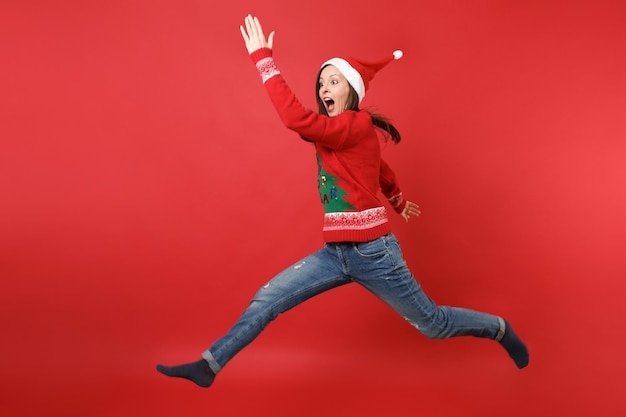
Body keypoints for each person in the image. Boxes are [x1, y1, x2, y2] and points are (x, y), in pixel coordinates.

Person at [156, 15, 529, 389]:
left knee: (433, 324)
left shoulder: (355, 124)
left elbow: (294, 119)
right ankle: (209, 366)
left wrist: (263, 60)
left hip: (375, 256)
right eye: (321, 83)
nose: (324, 88)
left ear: (351, 91)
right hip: (335, 254)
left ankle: (498, 329)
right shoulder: (339, 135)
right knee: (267, 299)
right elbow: (379, 167)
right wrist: (398, 201)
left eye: (334, 81)